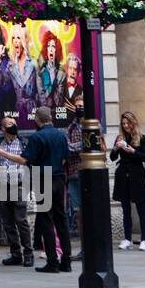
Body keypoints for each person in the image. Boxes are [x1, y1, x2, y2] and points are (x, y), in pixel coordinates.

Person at [0, 106, 71, 273]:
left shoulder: (36, 137)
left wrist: (0, 152)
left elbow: (23, 160)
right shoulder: (61, 135)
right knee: (61, 220)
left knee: (47, 222)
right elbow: (65, 159)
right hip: (59, 178)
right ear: (50, 118)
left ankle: (53, 262)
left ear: (37, 120)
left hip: (44, 179)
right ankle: (66, 261)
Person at [0, 116, 33, 267]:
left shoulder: (23, 143)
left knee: (21, 220)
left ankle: (28, 253)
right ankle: (16, 254)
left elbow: (27, 162)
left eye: (14, 124)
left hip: (19, 186)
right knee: (8, 223)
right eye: (9, 124)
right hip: (3, 188)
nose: (13, 126)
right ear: (2, 129)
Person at [110, 112, 145, 250]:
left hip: (137, 175)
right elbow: (112, 157)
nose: (126, 126)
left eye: (128, 123)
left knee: (141, 209)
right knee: (125, 209)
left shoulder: (142, 138)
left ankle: (144, 239)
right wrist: (116, 148)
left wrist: (132, 151)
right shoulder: (120, 137)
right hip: (123, 174)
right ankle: (127, 238)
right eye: (123, 124)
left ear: (133, 123)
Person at [6, 23, 39, 127]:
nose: (15, 40)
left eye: (18, 37)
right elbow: (3, 87)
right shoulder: (10, 65)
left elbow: (40, 90)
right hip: (17, 111)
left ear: (24, 40)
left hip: (32, 109)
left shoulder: (33, 62)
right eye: (13, 38)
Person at [63, 92, 85, 239]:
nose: (78, 109)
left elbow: (89, 145)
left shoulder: (92, 124)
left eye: (81, 106)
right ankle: (84, 244)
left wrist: (73, 147)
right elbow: (67, 147)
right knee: (78, 212)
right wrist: (78, 147)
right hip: (73, 173)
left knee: (90, 210)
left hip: (87, 173)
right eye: (76, 106)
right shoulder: (70, 127)